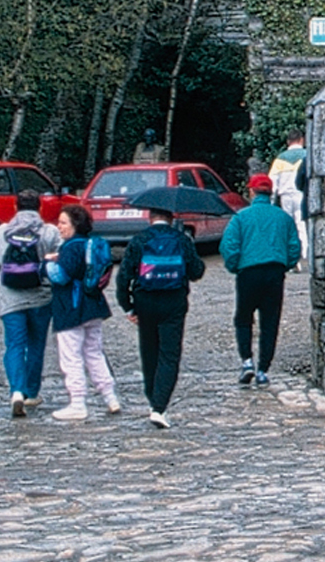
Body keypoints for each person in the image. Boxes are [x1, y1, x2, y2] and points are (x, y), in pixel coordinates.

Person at [117, 209, 206, 427]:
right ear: (171, 218)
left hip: (144, 301)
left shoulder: (139, 240)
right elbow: (196, 272)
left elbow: (123, 277)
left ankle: (152, 400)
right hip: (173, 302)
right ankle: (159, 406)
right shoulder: (181, 239)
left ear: (150, 217)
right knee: (169, 354)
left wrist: (128, 307)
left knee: (149, 353)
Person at [0, 194, 63, 419]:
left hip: (10, 298)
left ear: (15, 206)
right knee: (36, 345)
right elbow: (62, 260)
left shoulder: (0, 232)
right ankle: (31, 393)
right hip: (41, 297)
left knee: (14, 345)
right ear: (40, 207)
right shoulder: (49, 232)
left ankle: (16, 391)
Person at [222, 174, 302, 388]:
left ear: (251, 191)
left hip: (248, 272)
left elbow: (229, 246)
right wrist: (285, 265)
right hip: (274, 272)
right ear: (270, 192)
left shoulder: (241, 217)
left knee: (243, 318)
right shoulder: (283, 218)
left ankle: (247, 361)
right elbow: (294, 247)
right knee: (270, 322)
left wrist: (235, 266)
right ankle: (263, 370)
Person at [50, 205, 125, 422]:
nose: (59, 226)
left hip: (71, 308)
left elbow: (61, 276)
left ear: (74, 225)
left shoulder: (69, 248)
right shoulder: (90, 244)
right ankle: (110, 397)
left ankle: (77, 403)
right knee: (94, 353)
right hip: (94, 306)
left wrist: (44, 266)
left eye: (63, 222)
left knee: (71, 356)